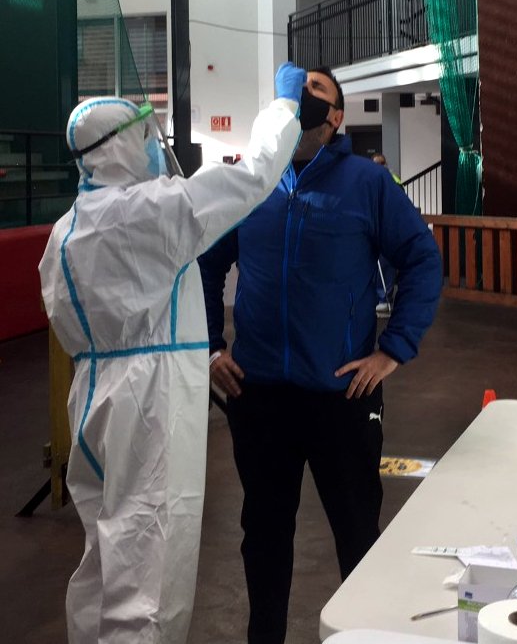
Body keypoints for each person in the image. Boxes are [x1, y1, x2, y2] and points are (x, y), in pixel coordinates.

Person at [38, 63, 307, 643]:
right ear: (120, 146)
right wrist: (284, 107)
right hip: (151, 399)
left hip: (93, 397)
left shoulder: (66, 229)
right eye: (145, 136)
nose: (155, 147)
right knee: (149, 559)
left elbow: (61, 314)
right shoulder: (147, 210)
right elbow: (253, 176)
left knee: (106, 550)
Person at [198, 67, 442, 644]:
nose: (302, 96)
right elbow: (206, 263)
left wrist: (392, 351)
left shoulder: (366, 182)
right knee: (264, 539)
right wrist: (210, 346)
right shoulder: (252, 183)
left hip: (341, 398)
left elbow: (422, 259)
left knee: (357, 537)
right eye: (297, 87)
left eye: (317, 91)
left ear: (336, 117)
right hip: (259, 397)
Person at [370, 152, 402, 315]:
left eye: (381, 163)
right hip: (375, 228)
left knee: (385, 264)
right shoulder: (371, 180)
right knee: (376, 265)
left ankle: (384, 299)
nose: (379, 166)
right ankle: (377, 298)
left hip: (388, 228)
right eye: (376, 163)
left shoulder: (392, 180)